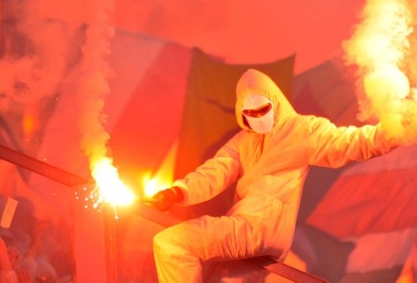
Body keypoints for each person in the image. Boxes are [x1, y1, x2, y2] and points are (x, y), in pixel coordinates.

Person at [152, 69, 402, 282]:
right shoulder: (242, 142)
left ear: (275, 102)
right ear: (242, 113)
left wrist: (393, 131)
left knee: (173, 244)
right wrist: (178, 192)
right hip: (252, 232)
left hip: (259, 227)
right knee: (219, 276)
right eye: (252, 113)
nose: (260, 117)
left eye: (263, 109)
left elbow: (350, 143)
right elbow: (214, 172)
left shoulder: (301, 130)